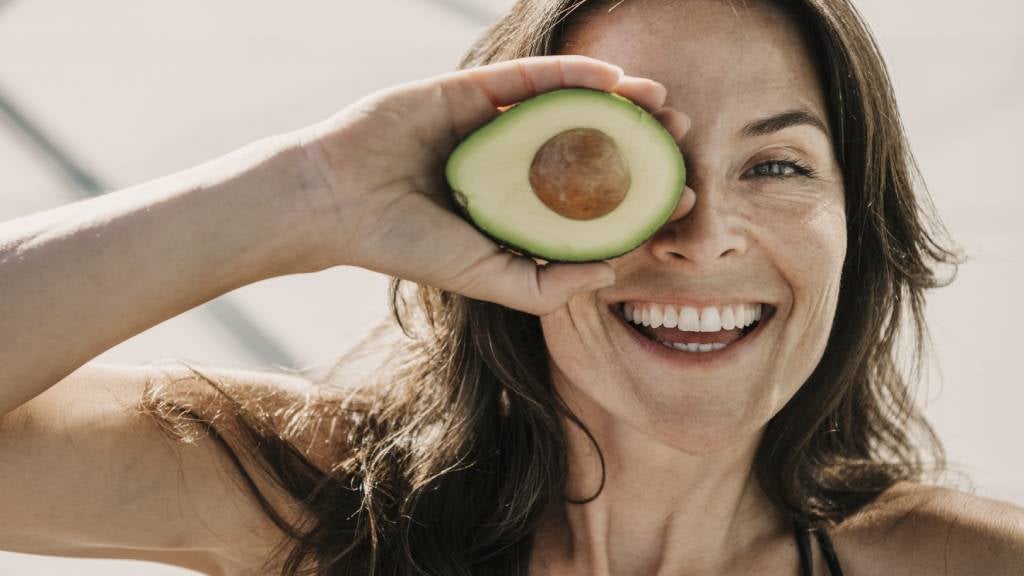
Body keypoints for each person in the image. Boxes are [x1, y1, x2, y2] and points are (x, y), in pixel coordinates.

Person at [1, 0, 1022, 574]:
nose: (703, 236)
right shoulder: (319, 502)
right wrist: (302, 193)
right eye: (615, 174)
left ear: (858, 227)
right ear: (497, 219)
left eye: (778, 165)